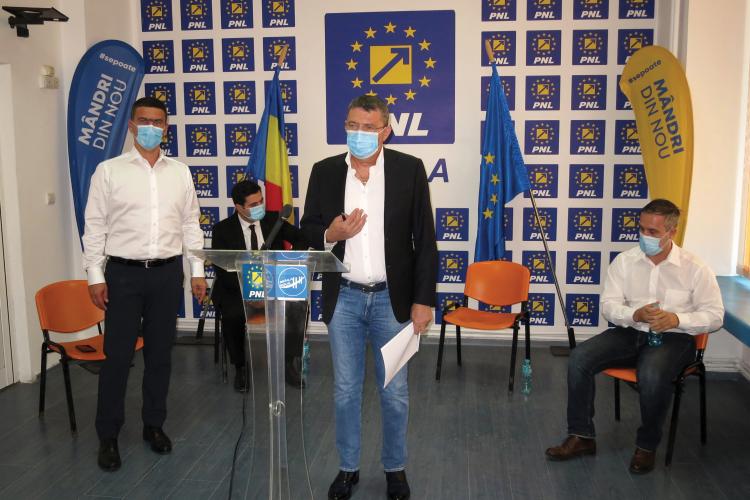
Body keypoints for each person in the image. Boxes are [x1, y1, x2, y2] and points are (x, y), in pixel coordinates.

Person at [301, 95, 437, 500]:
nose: (358, 134)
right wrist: (331, 234)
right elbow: (307, 228)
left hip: (392, 302)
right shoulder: (324, 171)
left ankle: (395, 469)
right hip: (343, 298)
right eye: (352, 125)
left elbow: (424, 240)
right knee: (345, 392)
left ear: (386, 131)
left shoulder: (409, 169)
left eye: (367, 127)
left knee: (394, 393)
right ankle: (348, 468)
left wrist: (423, 300)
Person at [545, 199, 724, 474]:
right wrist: (634, 314)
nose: (644, 236)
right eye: (641, 229)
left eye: (653, 231)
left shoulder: (695, 268)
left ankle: (646, 446)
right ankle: (581, 436)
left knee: (651, 372)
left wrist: (677, 319)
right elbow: (609, 306)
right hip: (631, 332)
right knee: (579, 358)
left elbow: (715, 315)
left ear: (672, 232)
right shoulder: (625, 261)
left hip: (674, 338)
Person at [82, 96, 207, 472]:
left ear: (166, 127)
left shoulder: (180, 172)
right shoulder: (109, 171)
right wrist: (95, 275)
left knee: (160, 356)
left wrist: (197, 269)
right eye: (144, 121)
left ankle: (154, 425)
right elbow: (95, 226)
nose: (151, 127)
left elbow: (190, 223)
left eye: (158, 121)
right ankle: (108, 435)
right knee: (117, 358)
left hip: (166, 274)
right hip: (123, 275)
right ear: (132, 125)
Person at [211, 179, 309, 391]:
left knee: (297, 307)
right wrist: (249, 289)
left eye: (261, 201)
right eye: (253, 204)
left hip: (274, 285)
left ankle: (288, 363)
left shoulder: (274, 220)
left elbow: (301, 238)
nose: (260, 207)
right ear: (239, 207)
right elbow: (222, 270)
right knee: (233, 314)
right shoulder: (222, 230)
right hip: (238, 289)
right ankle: (241, 368)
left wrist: (288, 261)